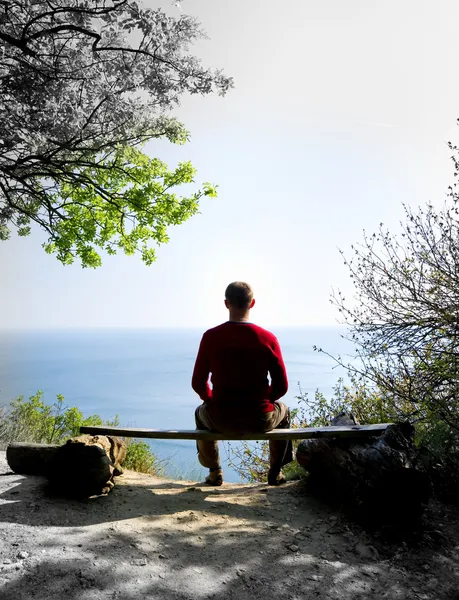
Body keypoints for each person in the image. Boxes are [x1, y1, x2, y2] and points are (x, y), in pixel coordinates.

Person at [191, 281, 293, 486]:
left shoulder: (211, 337)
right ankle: (275, 472)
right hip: (260, 418)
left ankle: (215, 472)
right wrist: (267, 401)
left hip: (220, 417)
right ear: (252, 303)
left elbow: (198, 383)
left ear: (226, 303)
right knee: (284, 411)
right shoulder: (267, 338)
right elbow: (281, 386)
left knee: (199, 413)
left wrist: (210, 399)